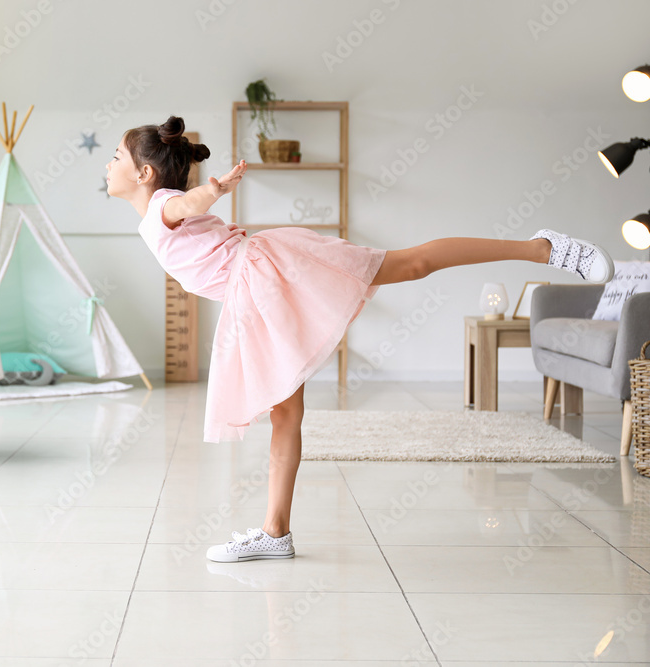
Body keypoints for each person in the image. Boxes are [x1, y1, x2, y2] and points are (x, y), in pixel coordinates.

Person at [105, 115, 614, 563]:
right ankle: (275, 532)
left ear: (145, 173)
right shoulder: (154, 215)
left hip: (270, 272)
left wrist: (211, 191)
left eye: (117, 157)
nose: (108, 165)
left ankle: (542, 247)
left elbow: (185, 205)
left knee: (411, 264)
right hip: (257, 293)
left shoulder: (162, 207)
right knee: (285, 413)